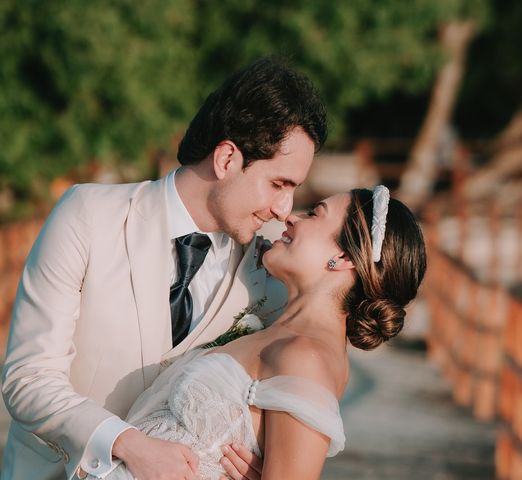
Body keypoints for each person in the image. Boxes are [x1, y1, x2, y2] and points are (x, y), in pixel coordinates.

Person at [1, 58, 327, 480]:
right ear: (227, 158)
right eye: (279, 184)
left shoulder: (266, 280)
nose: (285, 209)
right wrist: (131, 446)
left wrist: (264, 468)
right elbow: (27, 378)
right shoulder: (88, 215)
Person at [96, 186, 427, 480]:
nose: (292, 217)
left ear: (341, 257)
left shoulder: (306, 357)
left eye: (315, 214)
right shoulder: (279, 331)